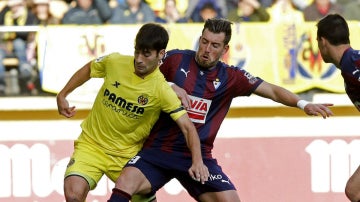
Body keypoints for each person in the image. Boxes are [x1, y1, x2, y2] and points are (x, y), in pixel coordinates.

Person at [107, 18, 334, 202]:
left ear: (225, 49)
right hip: (158, 150)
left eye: (214, 45)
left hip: (198, 158)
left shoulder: (231, 77)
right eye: (203, 42)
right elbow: (141, 74)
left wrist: (303, 104)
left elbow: (272, 91)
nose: (206, 49)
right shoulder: (175, 60)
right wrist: (168, 85)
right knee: (125, 184)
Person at [56, 22, 209, 202]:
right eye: (137, 51)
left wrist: (198, 161)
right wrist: (63, 94)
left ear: (161, 54)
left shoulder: (162, 90)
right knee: (73, 195)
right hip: (91, 146)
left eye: (146, 54)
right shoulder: (115, 62)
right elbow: (90, 69)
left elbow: (188, 128)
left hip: (128, 156)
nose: (139, 59)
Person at [315, 13, 360, 201]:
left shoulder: (352, 64)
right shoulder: (351, 63)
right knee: (354, 190)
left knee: (354, 190)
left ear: (323, 42)